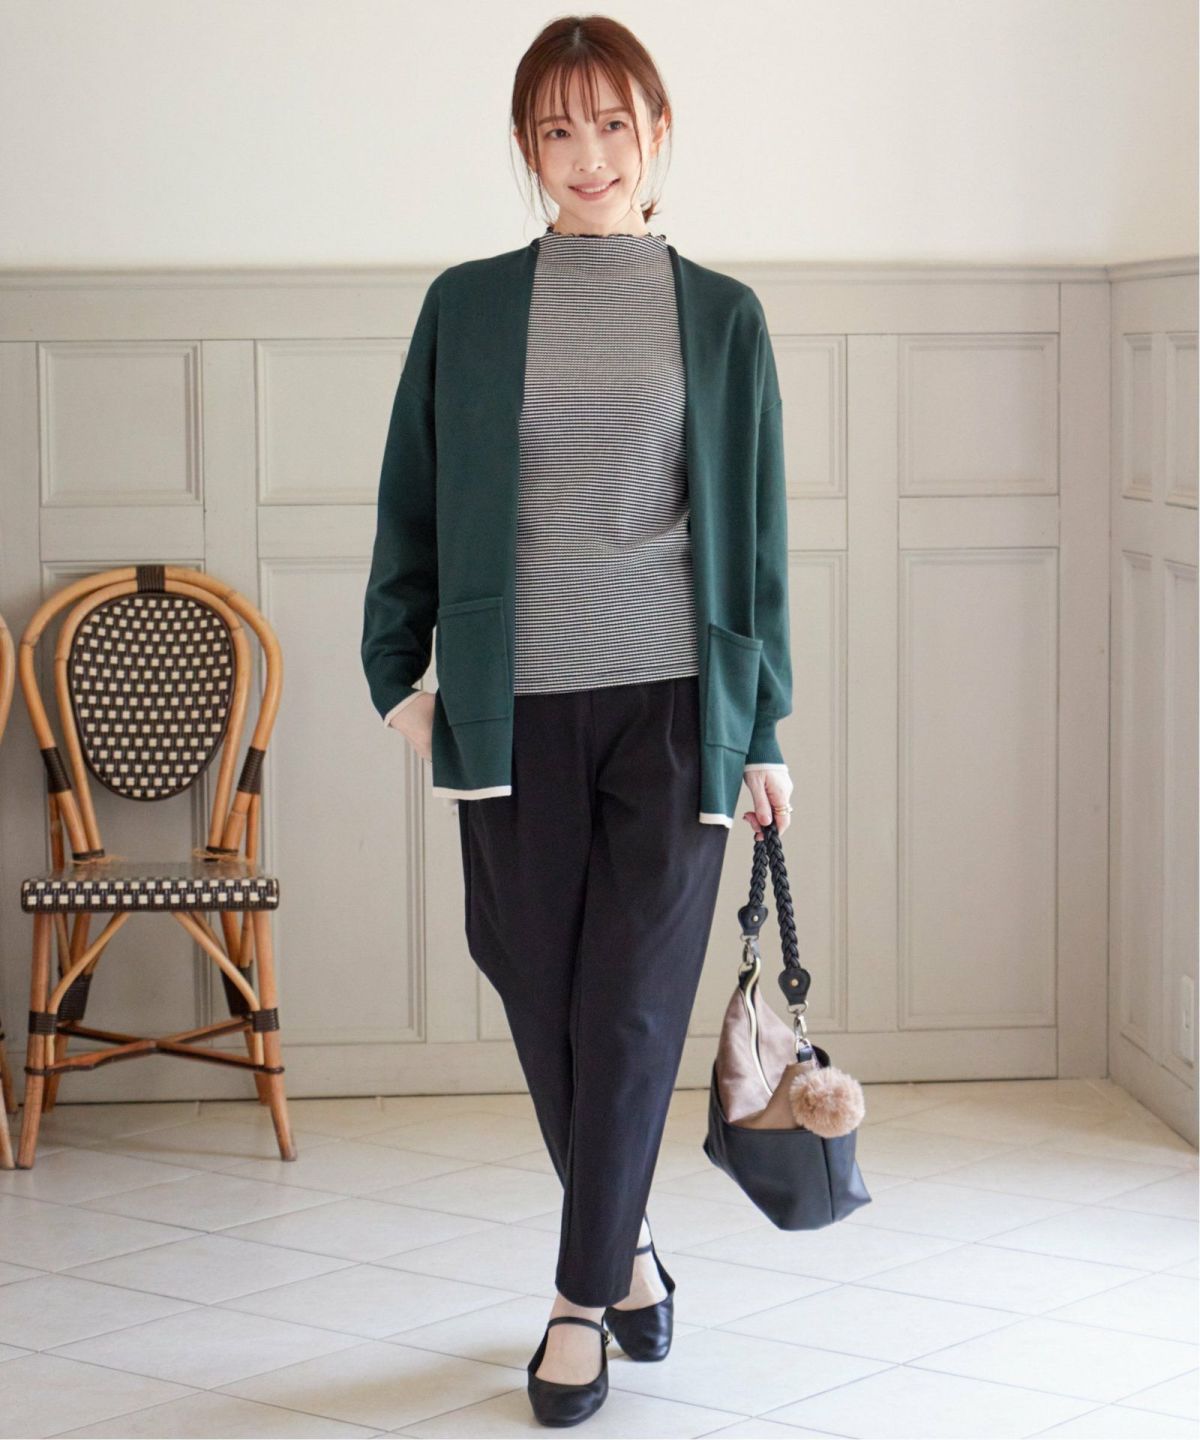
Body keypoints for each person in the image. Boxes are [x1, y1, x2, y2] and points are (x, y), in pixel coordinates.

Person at [362, 14, 793, 1427]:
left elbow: (756, 542)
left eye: (613, 124)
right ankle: (633, 1257)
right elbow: (411, 501)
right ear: (526, 146)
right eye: (558, 130)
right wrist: (400, 682)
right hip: (514, 710)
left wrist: (763, 730)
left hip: (675, 709)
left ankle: (573, 1303)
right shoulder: (469, 308)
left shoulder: (720, 315)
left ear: (657, 134)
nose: (588, 155)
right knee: (536, 984)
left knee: (630, 1009)